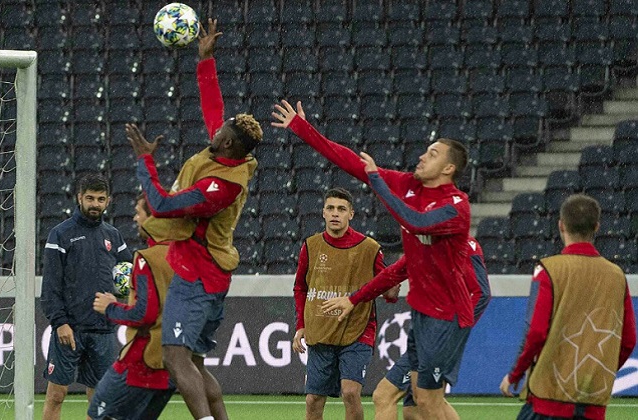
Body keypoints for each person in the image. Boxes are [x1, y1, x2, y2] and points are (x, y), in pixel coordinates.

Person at [272, 100, 473, 419]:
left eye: (433, 154)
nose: (422, 155)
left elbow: (416, 222)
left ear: (449, 168)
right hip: (422, 314)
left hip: (446, 318)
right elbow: (350, 162)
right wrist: (302, 128)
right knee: (397, 399)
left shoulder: (456, 206)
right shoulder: (410, 185)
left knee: (427, 402)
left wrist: (377, 181)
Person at [126, 19, 262, 420]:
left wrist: (144, 162)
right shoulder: (221, 151)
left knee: (173, 356)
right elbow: (213, 106)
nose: (214, 131)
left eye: (221, 132)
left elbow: (165, 206)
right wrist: (206, 61)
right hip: (202, 271)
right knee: (198, 365)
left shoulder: (225, 186)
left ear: (231, 146)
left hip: (199, 276)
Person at [500, 194, 636, 420]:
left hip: (549, 397)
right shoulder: (616, 276)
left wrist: (515, 374)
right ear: (597, 227)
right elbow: (629, 340)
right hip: (592, 400)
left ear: (561, 225)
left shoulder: (548, 270)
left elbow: (535, 333)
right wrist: (598, 370)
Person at [323, 236, 491, 420]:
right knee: (415, 408)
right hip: (424, 337)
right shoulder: (420, 246)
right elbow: (389, 276)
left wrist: (454, 332)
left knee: (387, 396)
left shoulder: (462, 244)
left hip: (440, 337)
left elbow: (481, 293)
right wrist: (353, 299)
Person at [293, 187, 395, 420]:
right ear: (323, 213)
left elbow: (387, 285)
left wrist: (391, 291)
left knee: (350, 392)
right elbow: (300, 287)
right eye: (330, 208)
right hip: (321, 330)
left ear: (351, 214)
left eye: (341, 209)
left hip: (357, 329)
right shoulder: (311, 246)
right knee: (313, 400)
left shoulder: (369, 248)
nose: (335, 213)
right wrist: (301, 324)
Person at [40, 173, 133, 420]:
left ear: (108, 201)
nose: (95, 204)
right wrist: (60, 322)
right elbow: (50, 286)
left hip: (102, 330)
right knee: (56, 395)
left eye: (100, 199)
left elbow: (130, 275)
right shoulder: (60, 234)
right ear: (79, 198)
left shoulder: (114, 236)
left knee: (100, 401)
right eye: (90, 198)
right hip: (70, 329)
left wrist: (122, 299)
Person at [87, 194, 177, 420]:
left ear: (154, 218)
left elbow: (144, 314)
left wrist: (110, 307)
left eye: (140, 213)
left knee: (95, 416)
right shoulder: (184, 254)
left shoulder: (146, 258)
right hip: (172, 363)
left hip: (140, 361)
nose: (136, 218)